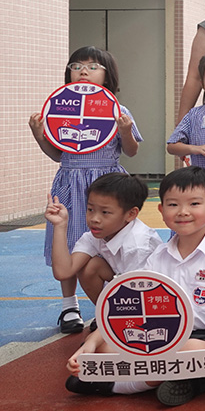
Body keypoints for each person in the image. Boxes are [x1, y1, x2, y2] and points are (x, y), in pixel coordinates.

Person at [65, 167, 205, 403]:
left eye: (194, 204)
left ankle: (119, 386)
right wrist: (90, 343)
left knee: (192, 350)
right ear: (161, 210)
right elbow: (129, 307)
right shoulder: (158, 256)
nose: (183, 212)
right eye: (173, 205)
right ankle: (178, 378)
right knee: (103, 349)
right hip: (163, 333)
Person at [29, 46, 142, 333]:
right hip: (70, 182)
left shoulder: (118, 110)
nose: (83, 71)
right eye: (76, 65)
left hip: (107, 184)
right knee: (66, 241)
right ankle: (69, 306)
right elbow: (58, 154)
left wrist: (125, 130)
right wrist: (39, 135)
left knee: (114, 244)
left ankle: (114, 305)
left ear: (108, 75)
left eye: (92, 66)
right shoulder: (58, 110)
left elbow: (131, 151)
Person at [44, 173, 160, 309]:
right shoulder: (95, 236)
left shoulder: (138, 246)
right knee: (90, 268)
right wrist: (60, 225)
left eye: (105, 212)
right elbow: (63, 272)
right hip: (127, 285)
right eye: (90, 209)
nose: (94, 219)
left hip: (155, 301)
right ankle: (107, 313)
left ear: (131, 214)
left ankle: (115, 316)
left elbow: (141, 293)